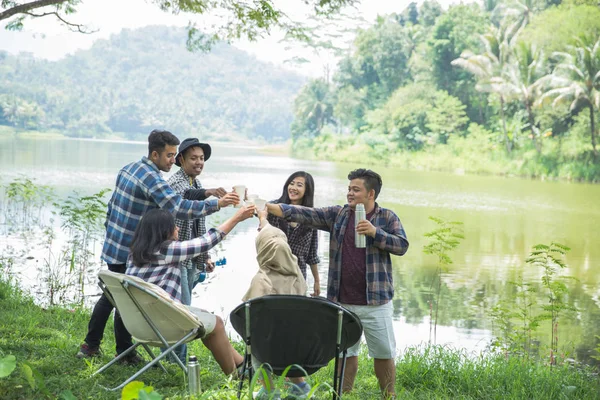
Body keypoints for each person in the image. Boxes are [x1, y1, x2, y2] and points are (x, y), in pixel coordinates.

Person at [76, 129, 239, 364]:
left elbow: (111, 207)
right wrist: (217, 204)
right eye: (170, 156)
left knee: (115, 296)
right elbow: (178, 206)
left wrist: (111, 232)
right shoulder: (152, 178)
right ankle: (111, 349)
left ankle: (108, 348)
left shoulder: (128, 168)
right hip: (131, 249)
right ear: (155, 154)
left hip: (115, 243)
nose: (174, 161)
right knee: (121, 298)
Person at [266, 168, 409, 398]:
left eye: (356, 189)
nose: (350, 193)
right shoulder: (338, 215)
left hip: (376, 302)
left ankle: (389, 396)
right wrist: (265, 207)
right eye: (349, 189)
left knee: (383, 353)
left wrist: (375, 232)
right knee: (346, 354)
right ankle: (343, 395)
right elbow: (302, 213)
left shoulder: (387, 217)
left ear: (371, 194)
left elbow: (402, 245)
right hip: (342, 301)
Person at [127, 206, 255, 375]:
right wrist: (237, 217)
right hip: (161, 326)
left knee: (206, 316)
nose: (178, 228)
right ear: (163, 231)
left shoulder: (134, 254)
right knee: (216, 323)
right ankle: (234, 377)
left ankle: (242, 366)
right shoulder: (167, 250)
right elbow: (207, 241)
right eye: (174, 226)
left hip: (138, 324)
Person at [243, 210, 310, 399]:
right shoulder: (299, 278)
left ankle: (270, 390)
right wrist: (263, 218)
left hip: (268, 349)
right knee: (290, 338)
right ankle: (300, 387)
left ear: (262, 251)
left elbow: (247, 316)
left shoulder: (261, 280)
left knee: (255, 343)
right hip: (296, 348)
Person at [168, 138, 227, 306]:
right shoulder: (175, 182)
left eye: (201, 158)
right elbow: (186, 197)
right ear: (181, 160)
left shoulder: (196, 182)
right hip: (178, 257)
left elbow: (199, 226)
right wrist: (209, 192)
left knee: (182, 305)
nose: (199, 162)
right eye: (193, 158)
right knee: (184, 308)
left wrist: (205, 256)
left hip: (192, 255)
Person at [267, 171, 320, 297]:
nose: (293, 188)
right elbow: (256, 210)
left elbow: (312, 255)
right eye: (292, 183)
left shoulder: (311, 216)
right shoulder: (273, 208)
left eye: (299, 185)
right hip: (273, 275)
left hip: (298, 278)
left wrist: (317, 281)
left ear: (307, 191)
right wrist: (246, 199)